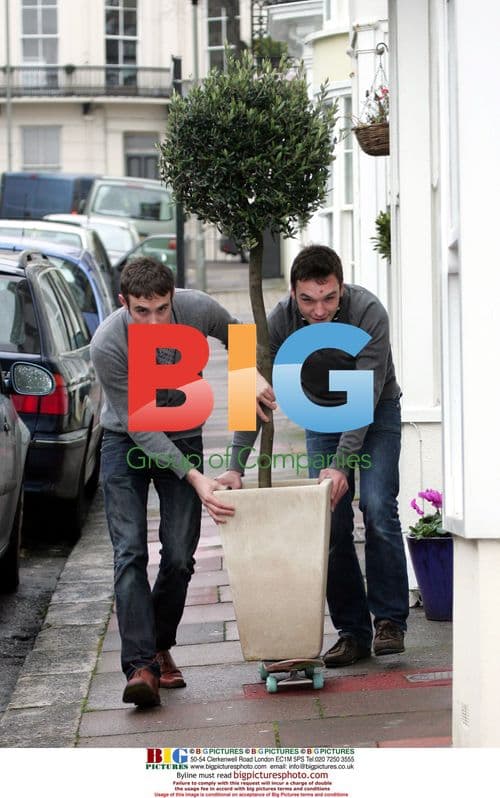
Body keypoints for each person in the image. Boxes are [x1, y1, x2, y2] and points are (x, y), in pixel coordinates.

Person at [90, 257, 273, 708]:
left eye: (162, 309)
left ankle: (157, 646)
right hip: (125, 440)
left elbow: (241, 340)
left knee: (178, 557)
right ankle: (140, 668)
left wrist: (247, 373)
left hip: (183, 429)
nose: (154, 322)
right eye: (141, 312)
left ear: (174, 299)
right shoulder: (107, 344)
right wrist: (195, 478)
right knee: (130, 552)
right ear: (124, 304)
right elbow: (140, 427)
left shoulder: (197, 309)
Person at [219, 244, 408, 666]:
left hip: (375, 413)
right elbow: (249, 396)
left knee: (377, 506)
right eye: (308, 300)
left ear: (341, 288)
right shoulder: (280, 321)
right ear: (291, 293)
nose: (319, 311)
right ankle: (353, 632)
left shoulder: (368, 312)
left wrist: (341, 465)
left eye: (328, 298)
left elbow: (365, 397)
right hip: (321, 415)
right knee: (329, 524)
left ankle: (390, 620)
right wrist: (234, 465)